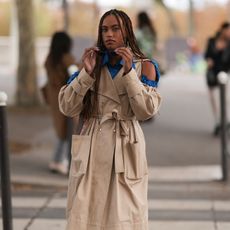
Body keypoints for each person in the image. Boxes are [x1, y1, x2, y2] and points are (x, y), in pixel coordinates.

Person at [59, 9, 161, 230]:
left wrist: (129, 74)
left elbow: (146, 111)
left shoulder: (145, 66)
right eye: (105, 29)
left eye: (115, 28)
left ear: (127, 32)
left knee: (125, 219)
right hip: (93, 145)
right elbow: (67, 107)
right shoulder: (92, 63)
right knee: (85, 217)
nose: (109, 34)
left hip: (127, 146)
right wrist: (86, 74)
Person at [44, 31, 78, 175]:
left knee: (61, 129)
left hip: (53, 95)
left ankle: (57, 160)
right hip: (65, 95)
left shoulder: (50, 58)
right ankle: (59, 160)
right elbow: (75, 73)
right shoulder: (66, 58)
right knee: (66, 130)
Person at [204, 22, 230, 135]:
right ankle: (218, 122)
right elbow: (206, 54)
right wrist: (209, 59)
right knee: (214, 99)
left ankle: (227, 122)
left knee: (226, 99)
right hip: (212, 73)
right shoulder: (211, 40)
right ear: (223, 30)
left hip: (225, 74)